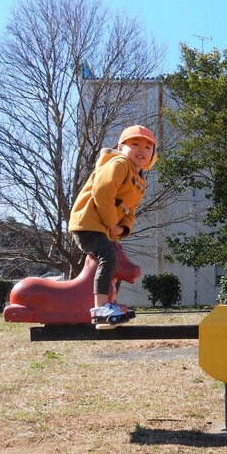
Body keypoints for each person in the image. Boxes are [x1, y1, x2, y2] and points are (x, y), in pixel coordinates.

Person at [69, 125, 157, 326]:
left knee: (113, 261)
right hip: (89, 223)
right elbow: (102, 192)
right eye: (134, 144)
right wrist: (112, 224)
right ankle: (100, 309)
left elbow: (131, 210)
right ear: (121, 147)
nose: (141, 150)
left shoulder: (140, 180)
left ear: (153, 155)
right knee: (107, 257)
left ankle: (110, 303)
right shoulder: (119, 164)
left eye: (147, 147)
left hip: (105, 226)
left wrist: (123, 228)